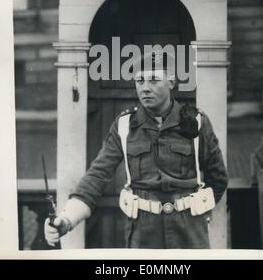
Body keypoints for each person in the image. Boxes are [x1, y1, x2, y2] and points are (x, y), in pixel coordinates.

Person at [44, 51, 227, 249]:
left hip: (190, 232)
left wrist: (196, 208)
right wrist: (67, 219)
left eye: (154, 80)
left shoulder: (197, 122)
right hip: (143, 233)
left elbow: (218, 179)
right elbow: (97, 176)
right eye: (140, 80)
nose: (145, 88)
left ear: (171, 82)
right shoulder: (124, 126)